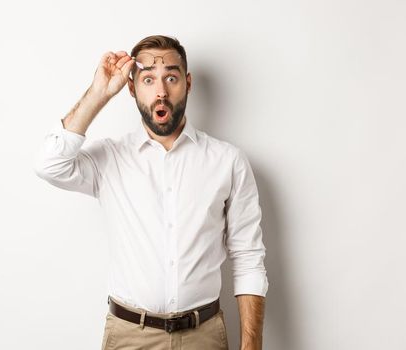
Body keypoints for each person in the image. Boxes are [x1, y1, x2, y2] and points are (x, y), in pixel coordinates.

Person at [33, 35, 267, 350]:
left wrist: (251, 346)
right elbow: (49, 165)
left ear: (187, 83)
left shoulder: (227, 161)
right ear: (131, 88)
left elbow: (248, 257)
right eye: (147, 79)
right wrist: (99, 94)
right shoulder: (110, 158)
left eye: (171, 78)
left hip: (204, 336)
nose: (160, 92)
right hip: (130, 336)